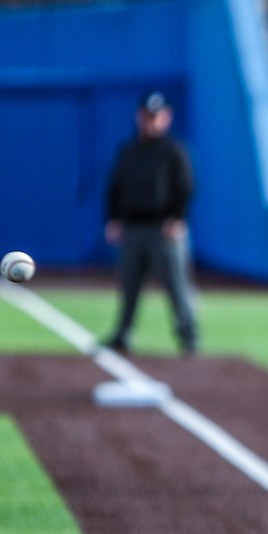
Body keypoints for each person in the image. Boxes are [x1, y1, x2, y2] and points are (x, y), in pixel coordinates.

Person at [103, 90, 197, 356]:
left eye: (156, 116)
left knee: (177, 284)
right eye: (147, 116)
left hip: (163, 228)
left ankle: (188, 334)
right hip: (133, 227)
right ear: (139, 116)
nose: (151, 121)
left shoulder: (174, 151)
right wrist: (113, 218)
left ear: (166, 117)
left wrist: (178, 218)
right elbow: (115, 186)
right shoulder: (129, 150)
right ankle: (123, 333)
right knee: (129, 285)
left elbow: (186, 187)